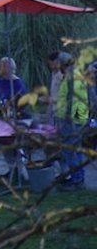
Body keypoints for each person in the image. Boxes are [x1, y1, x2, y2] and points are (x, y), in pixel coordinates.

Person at [52, 52, 89, 189]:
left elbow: (70, 99)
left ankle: (76, 180)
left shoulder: (71, 77)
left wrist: (66, 118)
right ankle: (78, 178)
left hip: (72, 120)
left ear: (62, 64)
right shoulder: (78, 74)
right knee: (76, 150)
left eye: (58, 64)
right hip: (79, 118)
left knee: (69, 151)